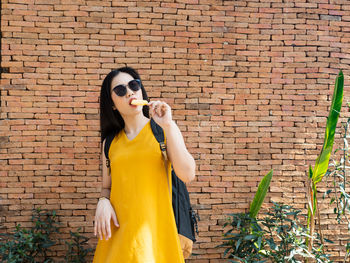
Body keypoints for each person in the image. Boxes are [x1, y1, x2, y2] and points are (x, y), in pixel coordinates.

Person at [92, 67, 196, 263]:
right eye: (121, 90)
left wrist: (168, 124)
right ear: (112, 104)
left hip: (155, 238)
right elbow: (107, 187)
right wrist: (103, 201)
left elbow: (187, 174)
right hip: (118, 237)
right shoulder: (110, 143)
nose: (130, 92)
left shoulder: (162, 131)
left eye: (134, 85)